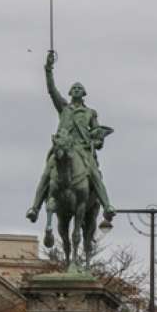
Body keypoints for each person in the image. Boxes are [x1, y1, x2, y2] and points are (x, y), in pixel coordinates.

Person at [27, 51, 116, 224]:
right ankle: (35, 208)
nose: (76, 90)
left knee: (94, 175)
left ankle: (107, 206)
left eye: (79, 88)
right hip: (62, 147)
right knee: (46, 174)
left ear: (84, 93)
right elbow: (51, 90)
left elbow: (97, 132)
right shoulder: (64, 108)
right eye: (74, 88)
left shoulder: (90, 112)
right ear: (69, 92)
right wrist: (48, 69)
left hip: (82, 149)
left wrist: (97, 141)